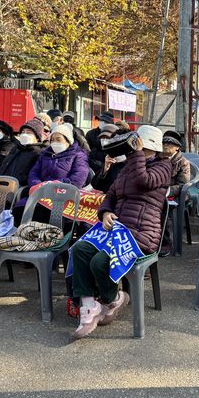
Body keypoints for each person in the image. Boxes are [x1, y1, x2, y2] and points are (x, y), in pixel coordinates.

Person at [71, 125, 171, 339]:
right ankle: (89, 305)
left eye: (135, 143)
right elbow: (111, 195)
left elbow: (144, 181)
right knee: (80, 248)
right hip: (117, 230)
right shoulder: (128, 167)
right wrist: (105, 213)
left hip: (141, 235)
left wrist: (135, 154)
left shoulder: (164, 167)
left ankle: (113, 297)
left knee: (99, 261)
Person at [0, 118, 47, 186]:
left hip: (15, 189)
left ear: (37, 137)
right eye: (23, 132)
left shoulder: (39, 153)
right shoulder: (16, 149)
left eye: (28, 132)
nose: (24, 134)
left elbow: (31, 176)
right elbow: (2, 167)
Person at [158, 130, 192, 255]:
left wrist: (167, 191)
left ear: (177, 148)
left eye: (170, 145)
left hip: (175, 194)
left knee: (161, 206)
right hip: (157, 191)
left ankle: (165, 243)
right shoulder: (157, 158)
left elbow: (182, 185)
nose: (166, 146)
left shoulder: (183, 162)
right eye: (164, 143)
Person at [27, 124, 90, 190]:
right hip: (42, 192)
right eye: (52, 140)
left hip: (66, 194)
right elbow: (34, 173)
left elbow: (78, 178)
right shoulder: (45, 154)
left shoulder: (79, 155)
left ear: (68, 141)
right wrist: (38, 185)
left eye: (58, 139)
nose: (54, 142)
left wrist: (57, 185)